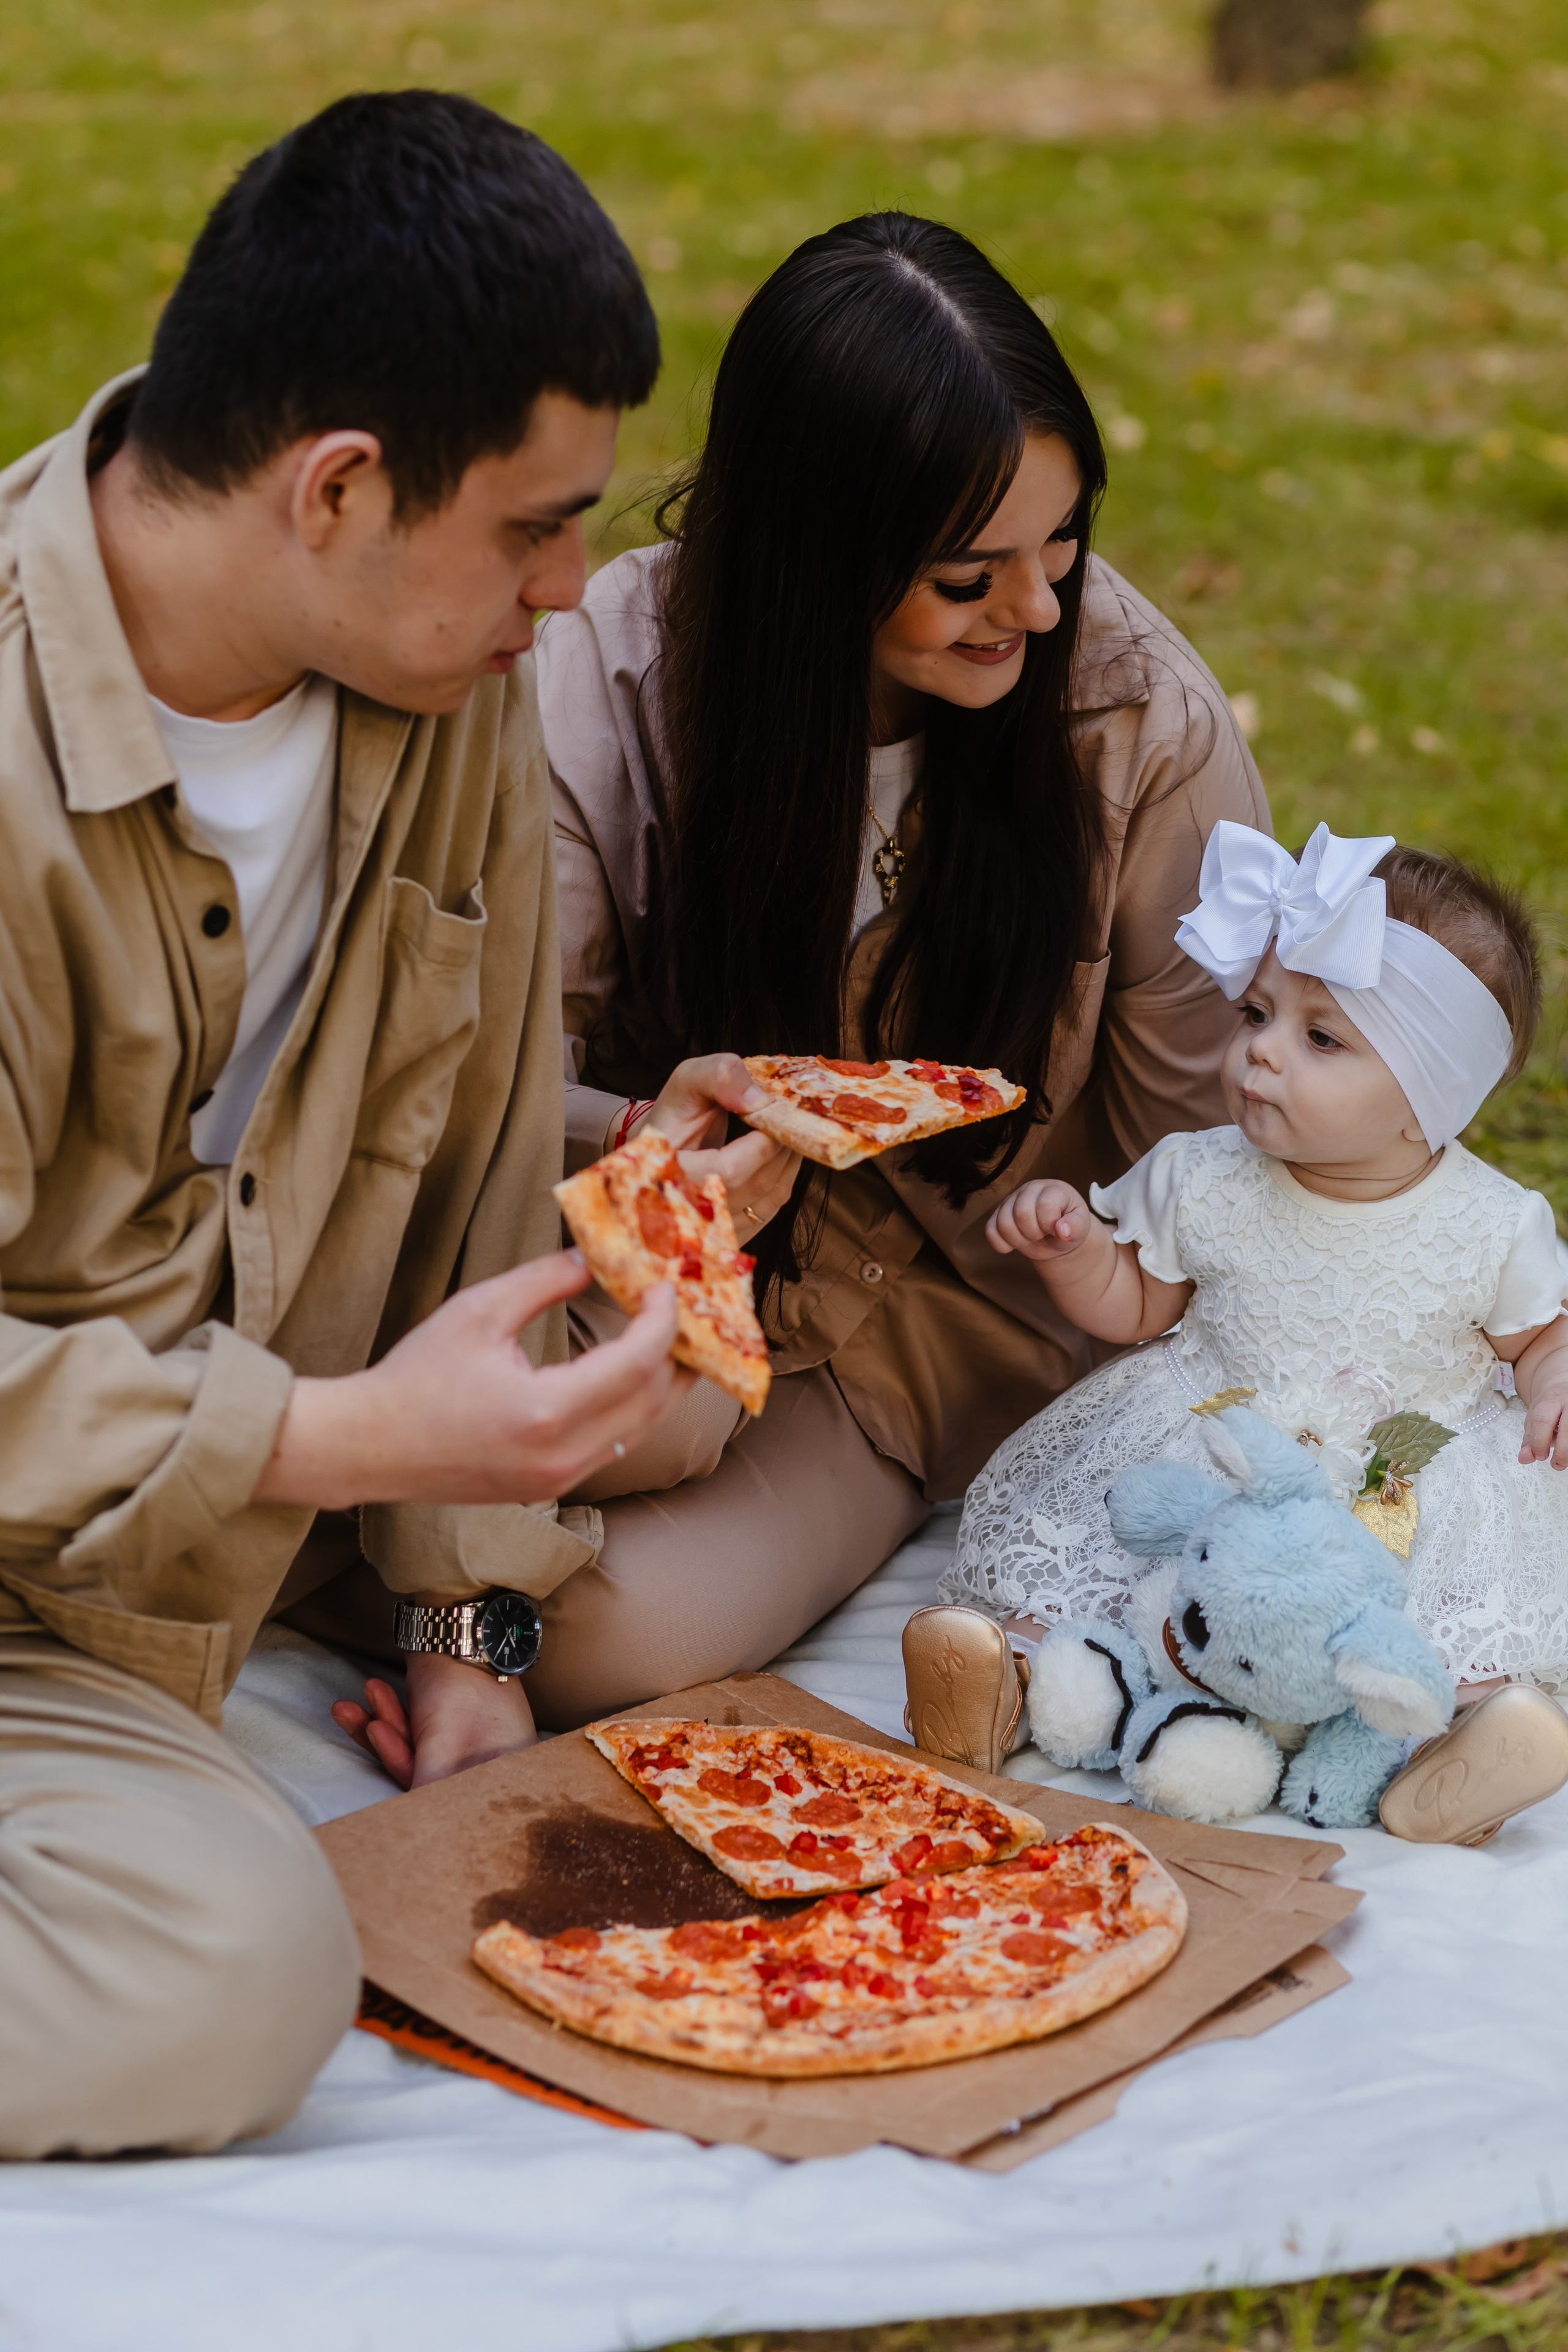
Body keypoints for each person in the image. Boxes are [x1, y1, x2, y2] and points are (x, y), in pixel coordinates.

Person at [0, 91, 778, 2160]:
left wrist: (458, 1620)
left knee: (681, 1407)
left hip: (163, 1577)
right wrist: (335, 1445)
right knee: (236, 1982)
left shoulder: (445, 686)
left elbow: (469, 1155)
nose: (572, 591)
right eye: (537, 527)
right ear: (336, 486)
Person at [528, 211, 1270, 1730]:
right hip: (664, 1244)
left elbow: (1209, 1155)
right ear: (813, 551)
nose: (1042, 609)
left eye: (1062, 543)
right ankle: (440, 1605)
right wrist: (640, 1136)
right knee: (540, 1444)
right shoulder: (612, 669)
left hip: (948, 1318)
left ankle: (458, 1621)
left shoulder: (1144, 732)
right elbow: (494, 1068)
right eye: (966, 574)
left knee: (590, 1638)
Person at [918, 822, 1568, 1841]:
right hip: (1218, 1450)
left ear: (1427, 1100)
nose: (1260, 1049)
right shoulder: (1202, 1173)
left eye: (1321, 1037)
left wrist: (1554, 1382)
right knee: (1099, 1571)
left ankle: (1453, 1759)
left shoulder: (1492, 1225)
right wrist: (1078, 1251)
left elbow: (1541, 1338)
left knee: (1443, 1638)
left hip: (1395, 1486)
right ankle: (1012, 1679)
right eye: (1258, 1011)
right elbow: (1140, 1308)